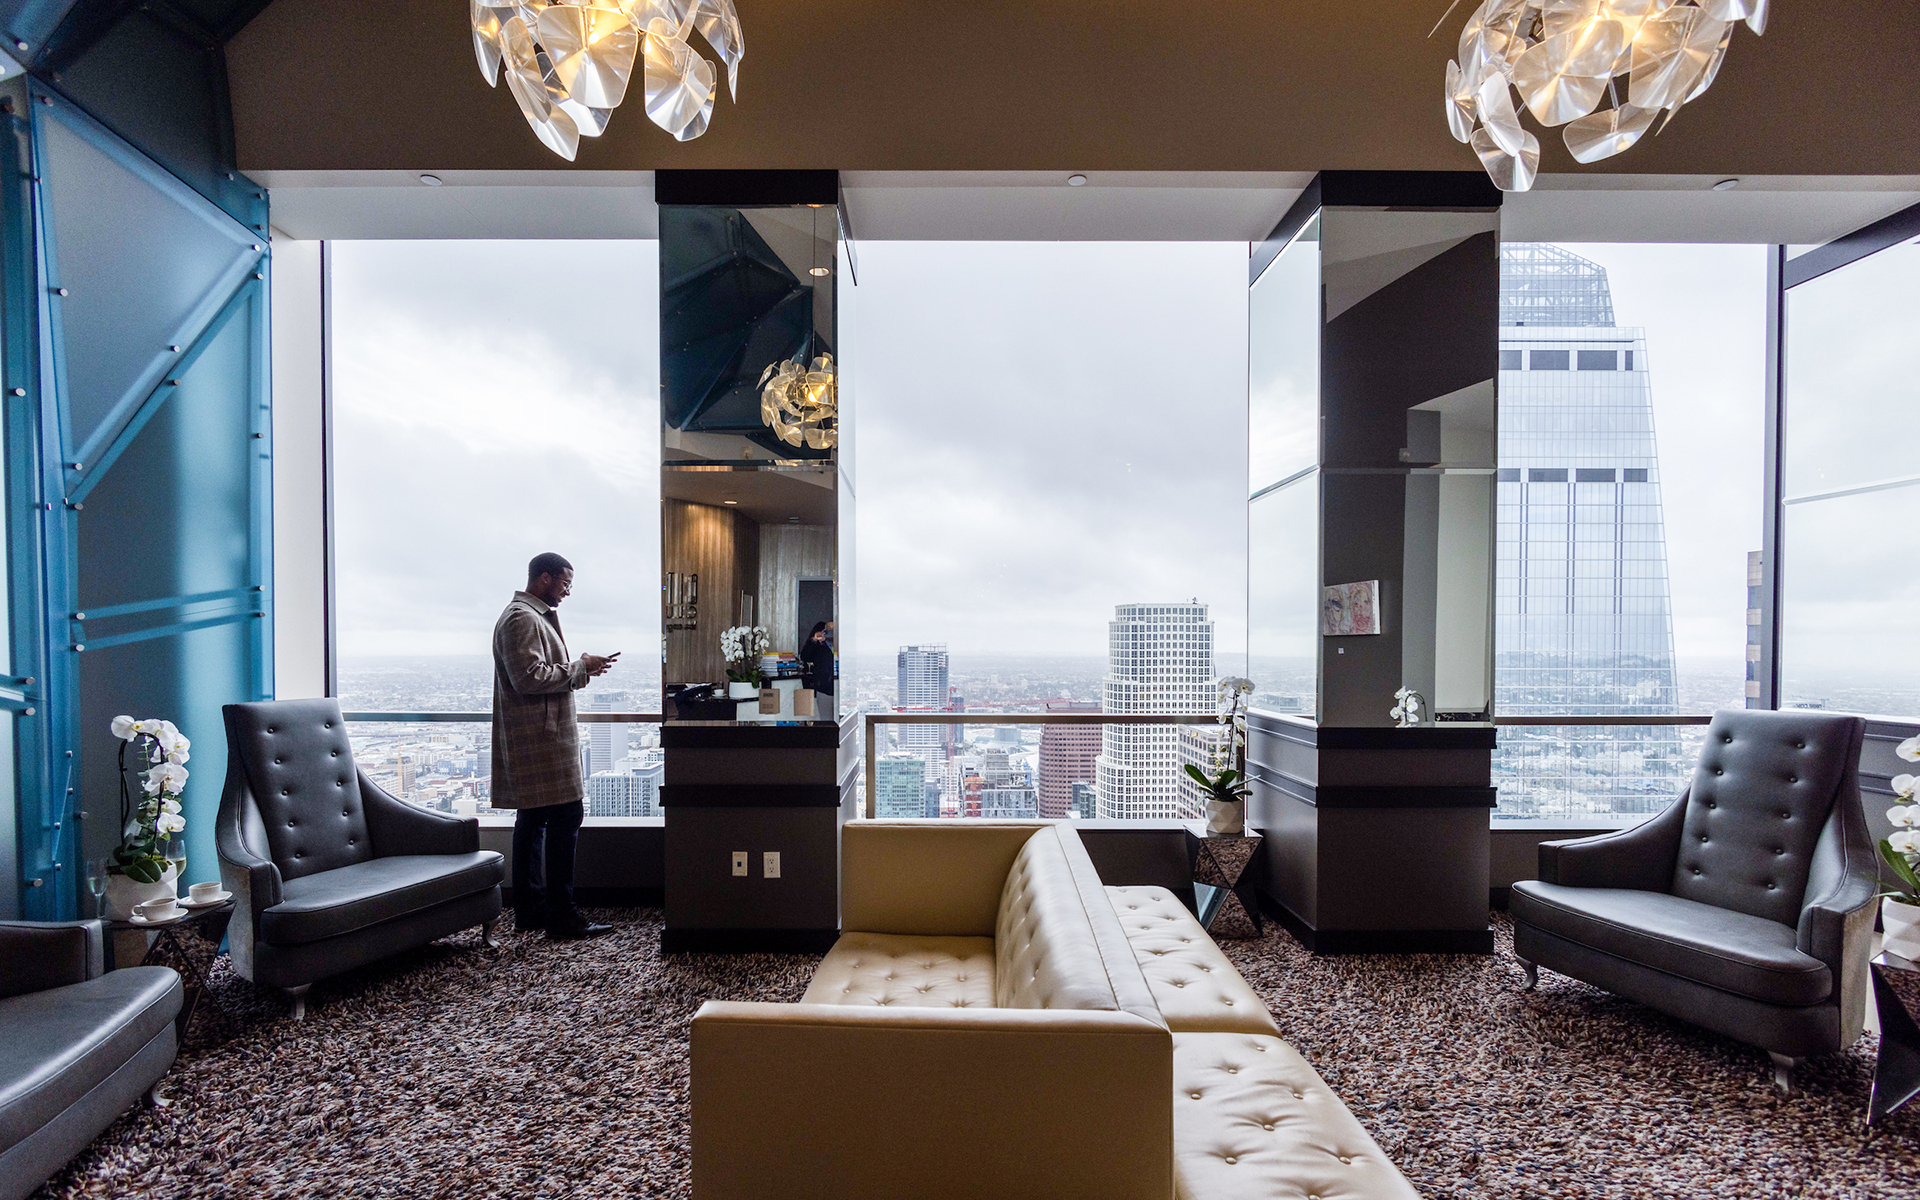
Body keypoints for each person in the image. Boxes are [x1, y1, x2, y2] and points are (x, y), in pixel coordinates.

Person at [490, 552, 619, 939]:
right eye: (565, 583)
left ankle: (532, 910)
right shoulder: (521, 618)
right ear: (544, 578)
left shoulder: (529, 616)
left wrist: (582, 666)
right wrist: (580, 668)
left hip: (538, 739)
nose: (567, 591)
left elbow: (537, 673)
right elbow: (529, 677)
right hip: (540, 742)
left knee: (532, 823)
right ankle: (562, 916)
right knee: (566, 817)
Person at [799, 619, 836, 707]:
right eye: (828, 629)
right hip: (824, 687)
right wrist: (814, 640)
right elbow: (805, 657)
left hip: (840, 686)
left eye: (833, 629)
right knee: (824, 712)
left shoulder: (842, 644)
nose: (830, 632)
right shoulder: (819, 646)